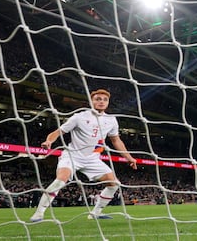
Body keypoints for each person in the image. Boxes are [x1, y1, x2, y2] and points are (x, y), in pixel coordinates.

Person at [30, 89, 137, 222]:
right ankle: (38, 214)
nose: (101, 102)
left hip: (93, 159)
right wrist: (49, 141)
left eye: (104, 100)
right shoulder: (79, 117)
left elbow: (116, 140)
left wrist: (129, 158)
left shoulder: (111, 120)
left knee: (114, 184)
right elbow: (58, 132)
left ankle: (95, 213)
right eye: (98, 99)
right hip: (72, 155)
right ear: (92, 101)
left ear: (108, 103)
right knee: (60, 180)